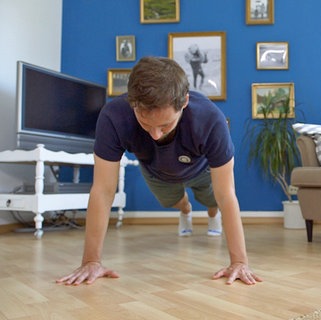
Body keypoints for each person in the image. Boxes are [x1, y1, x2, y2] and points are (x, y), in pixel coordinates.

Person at [56, 56, 262, 286]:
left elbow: (227, 193)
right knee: (172, 202)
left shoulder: (210, 120)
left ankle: (211, 214)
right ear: (133, 103)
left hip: (202, 170)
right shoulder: (113, 117)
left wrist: (239, 261)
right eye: (146, 125)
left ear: (184, 101)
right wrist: (90, 261)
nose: (155, 135)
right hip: (157, 171)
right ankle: (186, 209)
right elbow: (103, 190)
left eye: (165, 125)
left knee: (213, 199)